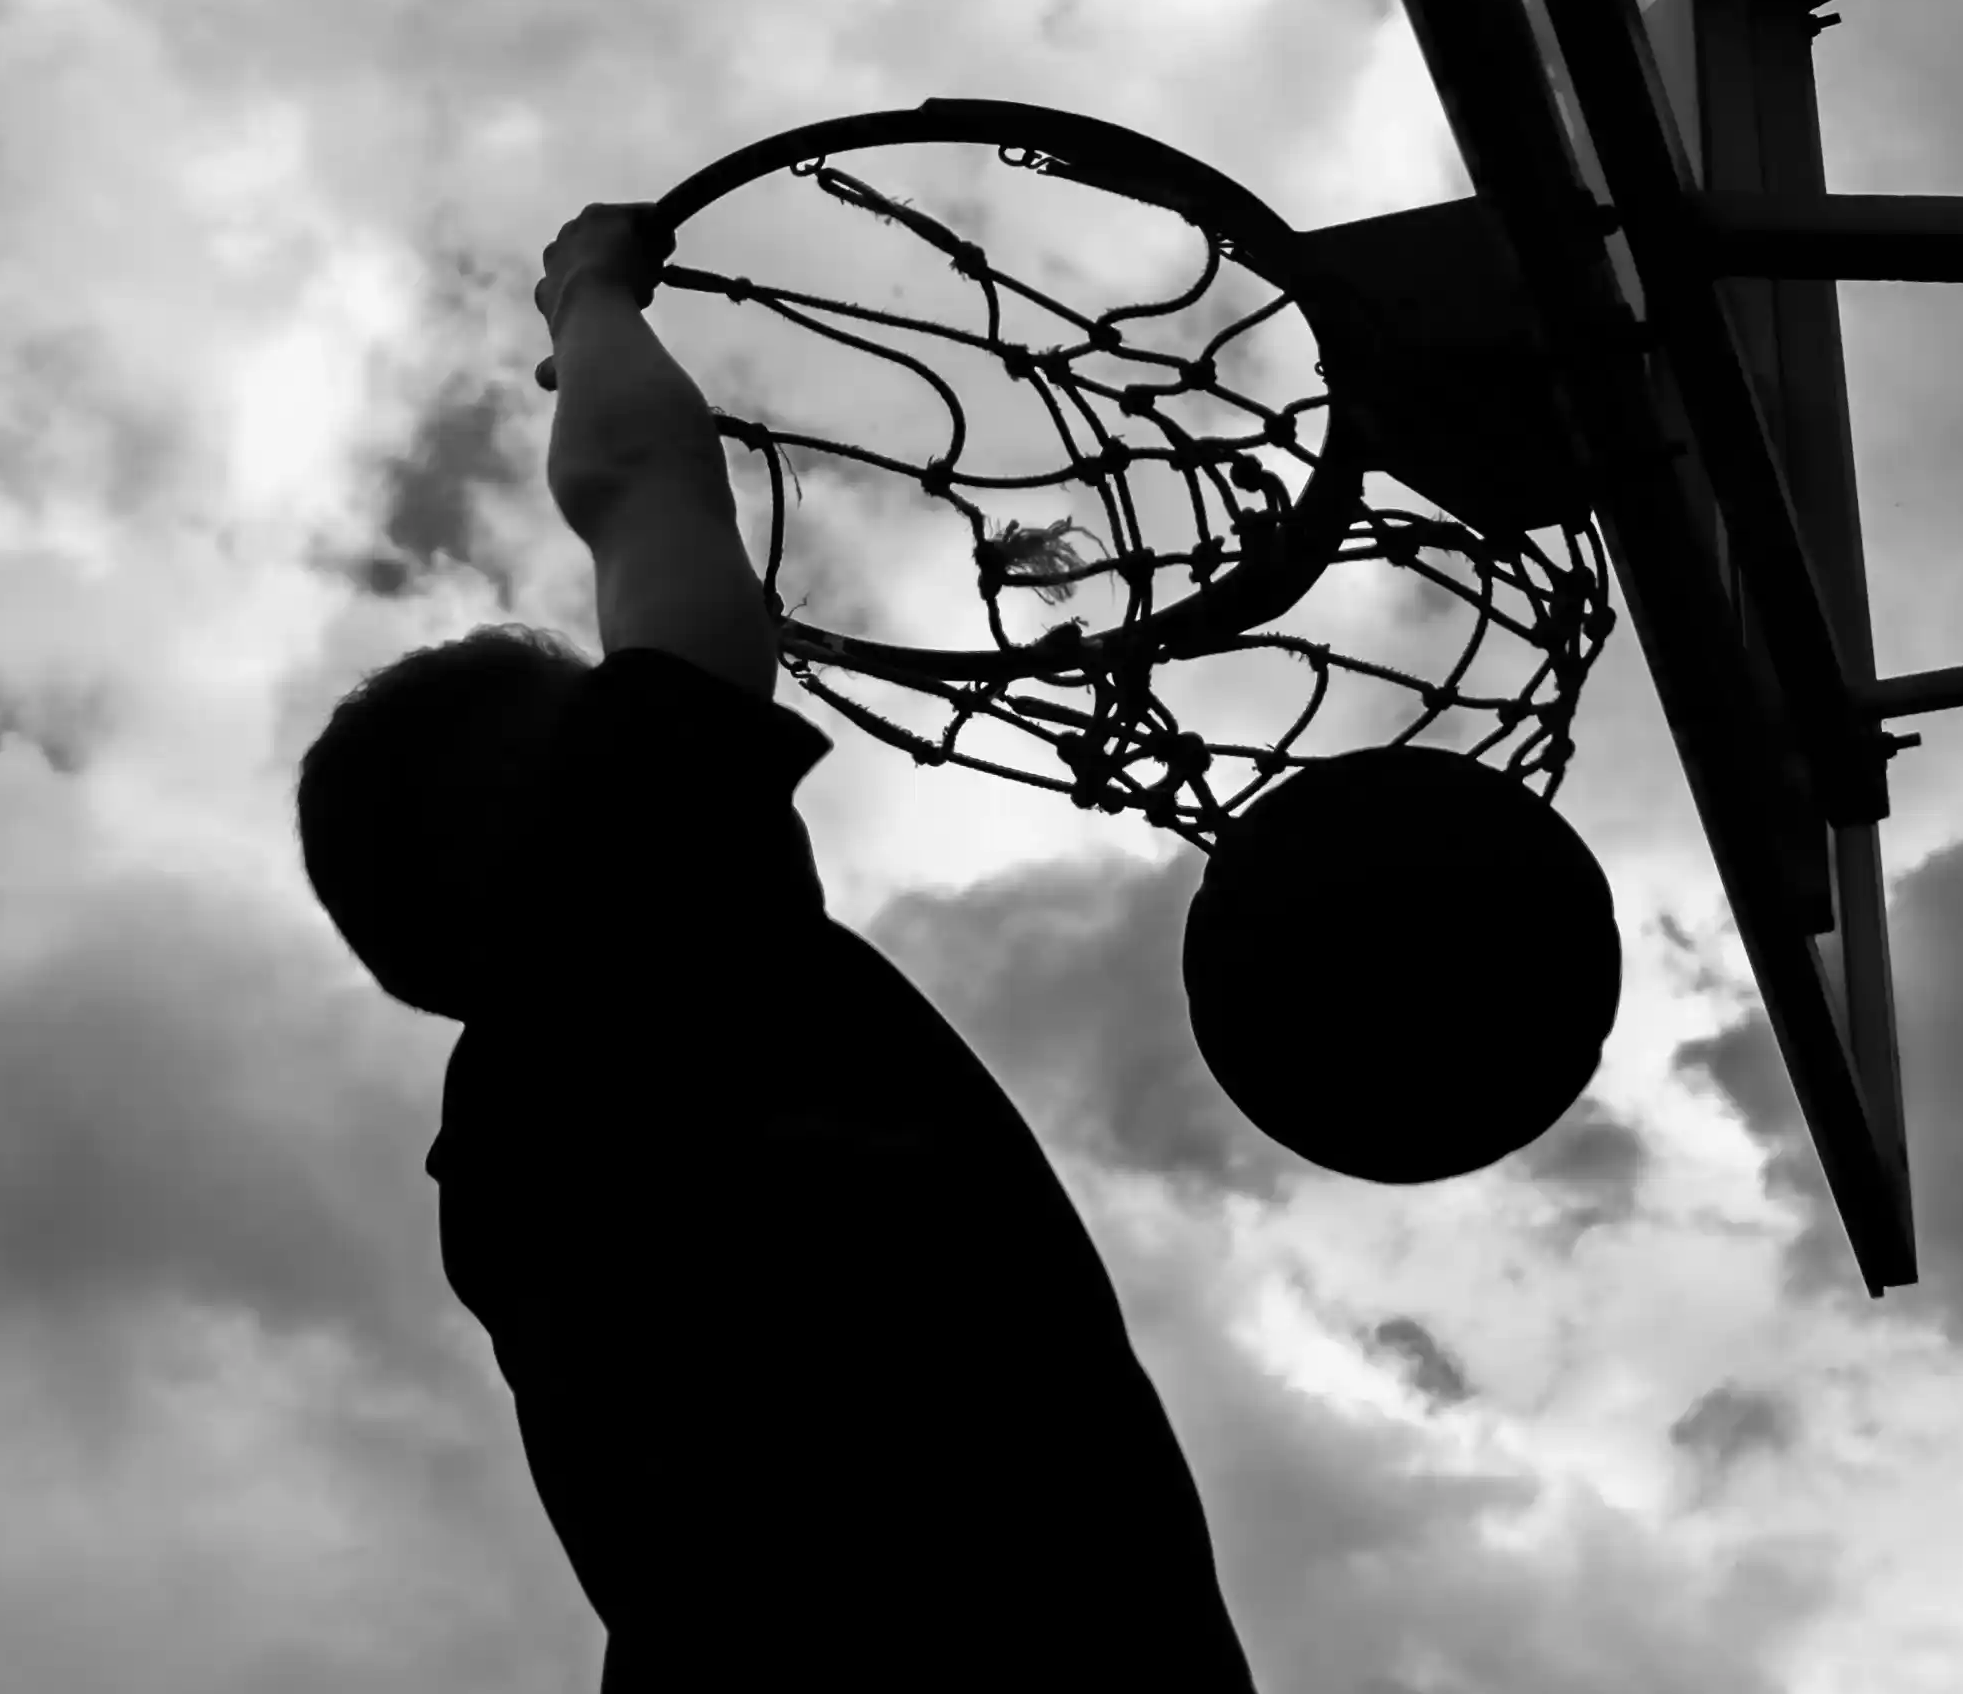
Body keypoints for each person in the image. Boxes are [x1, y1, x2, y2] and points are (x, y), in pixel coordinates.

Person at [297, 201, 1260, 1693]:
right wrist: (590, 296)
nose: (649, 698)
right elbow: (636, 482)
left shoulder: (504, 1168)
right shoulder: (649, 920)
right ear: (575, 795)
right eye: (603, 715)